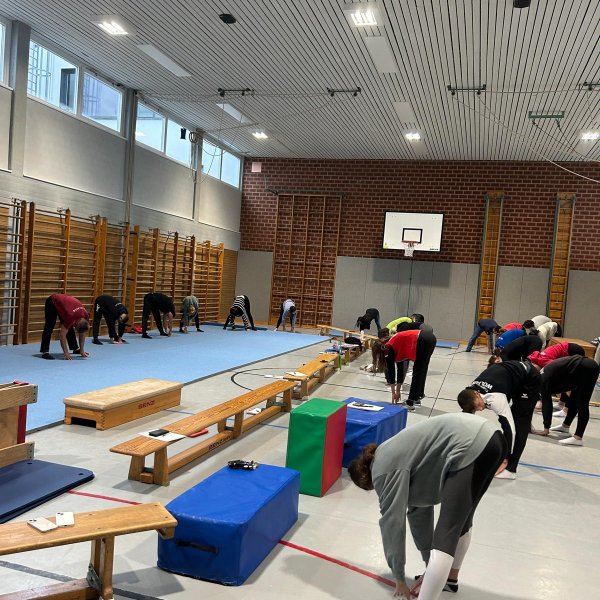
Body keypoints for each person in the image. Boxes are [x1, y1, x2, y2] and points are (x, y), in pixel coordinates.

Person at [348, 412, 505, 600]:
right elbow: (419, 513)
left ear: (366, 480)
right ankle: (450, 580)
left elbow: (392, 525)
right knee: (462, 523)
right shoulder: (389, 453)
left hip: (468, 444)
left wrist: (399, 578)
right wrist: (428, 562)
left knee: (446, 532)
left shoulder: (381, 471)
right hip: (492, 438)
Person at [457, 359, 540, 480]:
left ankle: (510, 470)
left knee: (519, 423)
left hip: (529, 379)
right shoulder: (470, 393)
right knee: (514, 413)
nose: (480, 409)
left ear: (477, 393)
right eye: (476, 408)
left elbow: (510, 430)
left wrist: (505, 459)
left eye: (478, 405)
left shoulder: (495, 398)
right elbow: (467, 420)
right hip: (510, 376)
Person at [532, 356, 600, 445]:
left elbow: (547, 404)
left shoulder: (542, 382)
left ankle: (578, 437)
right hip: (581, 367)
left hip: (586, 368)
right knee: (574, 397)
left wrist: (546, 429)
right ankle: (565, 426)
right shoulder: (543, 377)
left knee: (582, 402)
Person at [374, 328, 437, 410]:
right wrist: (397, 391)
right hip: (430, 338)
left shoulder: (388, 349)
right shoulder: (394, 343)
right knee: (422, 369)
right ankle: (417, 397)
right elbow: (400, 370)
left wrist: (393, 393)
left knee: (418, 371)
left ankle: (410, 403)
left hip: (422, 339)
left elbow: (391, 372)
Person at [40, 293, 90, 360]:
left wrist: (82, 350)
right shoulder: (71, 317)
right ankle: (45, 352)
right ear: (76, 324)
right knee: (49, 326)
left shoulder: (86, 316)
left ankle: (75, 348)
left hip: (65, 305)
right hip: (53, 301)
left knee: (69, 326)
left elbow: (82, 333)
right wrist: (66, 353)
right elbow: (62, 335)